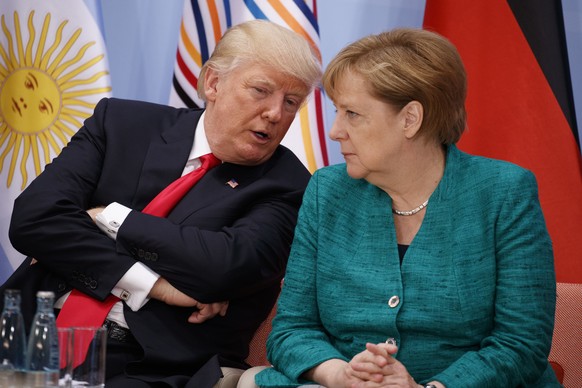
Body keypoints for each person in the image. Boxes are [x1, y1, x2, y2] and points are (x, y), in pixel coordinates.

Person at [2, 19, 321, 387]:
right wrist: (155, 285)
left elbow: (223, 267)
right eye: (261, 91)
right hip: (25, 331)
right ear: (213, 83)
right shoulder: (121, 123)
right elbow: (32, 219)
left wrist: (110, 217)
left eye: (291, 101)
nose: (276, 113)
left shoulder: (291, 185)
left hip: (151, 367)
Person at [247, 28, 560, 387]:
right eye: (338, 111)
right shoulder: (326, 190)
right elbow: (291, 330)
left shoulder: (504, 192)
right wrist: (342, 375)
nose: (335, 131)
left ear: (410, 118)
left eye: (352, 114)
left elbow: (520, 344)